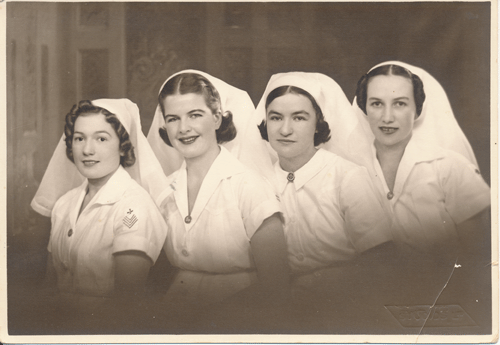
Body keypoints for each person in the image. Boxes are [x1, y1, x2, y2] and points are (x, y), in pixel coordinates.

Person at [146, 70, 289, 320]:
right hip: (174, 316)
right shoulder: (164, 191)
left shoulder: (250, 186)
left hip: (240, 318)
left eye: (195, 115)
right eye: (173, 119)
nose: (183, 128)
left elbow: (276, 286)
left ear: (216, 118)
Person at [30, 99, 169, 331]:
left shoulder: (133, 207)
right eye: (79, 138)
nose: (87, 150)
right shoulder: (64, 204)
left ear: (123, 146)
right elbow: (49, 286)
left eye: (101, 139)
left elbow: (127, 303)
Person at [352, 62, 491, 259]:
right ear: (364, 108)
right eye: (376, 103)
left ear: (417, 109)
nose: (387, 117)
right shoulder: (350, 170)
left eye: (400, 103)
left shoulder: (451, 167)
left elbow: (479, 258)